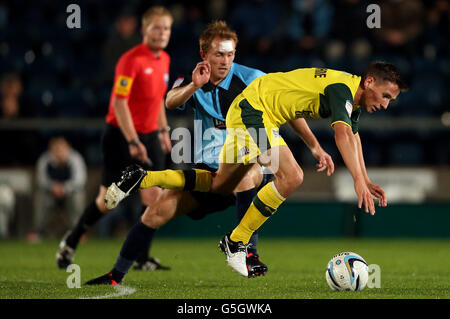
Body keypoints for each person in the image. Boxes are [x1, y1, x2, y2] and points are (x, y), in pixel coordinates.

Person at [84, 21, 334, 285]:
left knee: (247, 171)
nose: (225, 61)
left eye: (230, 54)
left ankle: (247, 251)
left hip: (249, 163)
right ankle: (115, 275)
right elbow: (169, 100)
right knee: (155, 212)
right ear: (204, 55)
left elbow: (290, 110)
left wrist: (315, 146)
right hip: (208, 171)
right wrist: (194, 85)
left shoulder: (253, 79)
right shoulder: (194, 79)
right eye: (218, 54)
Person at [104, 61, 407, 278]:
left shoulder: (348, 95)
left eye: (391, 100)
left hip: (250, 110)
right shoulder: (342, 88)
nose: (386, 104)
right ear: (369, 82)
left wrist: (365, 178)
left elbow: (353, 136)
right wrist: (356, 179)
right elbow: (341, 134)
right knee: (292, 175)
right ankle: (236, 241)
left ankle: (141, 177)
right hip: (255, 110)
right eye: (386, 96)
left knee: (220, 183)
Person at [56, 6, 173, 270]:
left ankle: (141, 258)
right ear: (144, 30)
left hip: (150, 134)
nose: (162, 32)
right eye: (156, 27)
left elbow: (157, 101)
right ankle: (71, 241)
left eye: (166, 28)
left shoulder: (164, 59)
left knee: (154, 199)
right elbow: (119, 104)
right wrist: (133, 142)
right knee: (108, 201)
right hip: (121, 135)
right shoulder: (131, 60)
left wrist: (163, 131)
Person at [31, 137, 87, 241]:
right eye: (56, 149)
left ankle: (77, 232)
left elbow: (80, 181)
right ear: (51, 150)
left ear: (68, 148)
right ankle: (38, 231)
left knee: (78, 196)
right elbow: (41, 180)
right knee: (40, 196)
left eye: (61, 149)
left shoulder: (75, 159)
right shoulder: (45, 159)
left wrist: (64, 188)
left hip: (70, 194)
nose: (59, 152)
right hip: (50, 194)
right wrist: (53, 187)